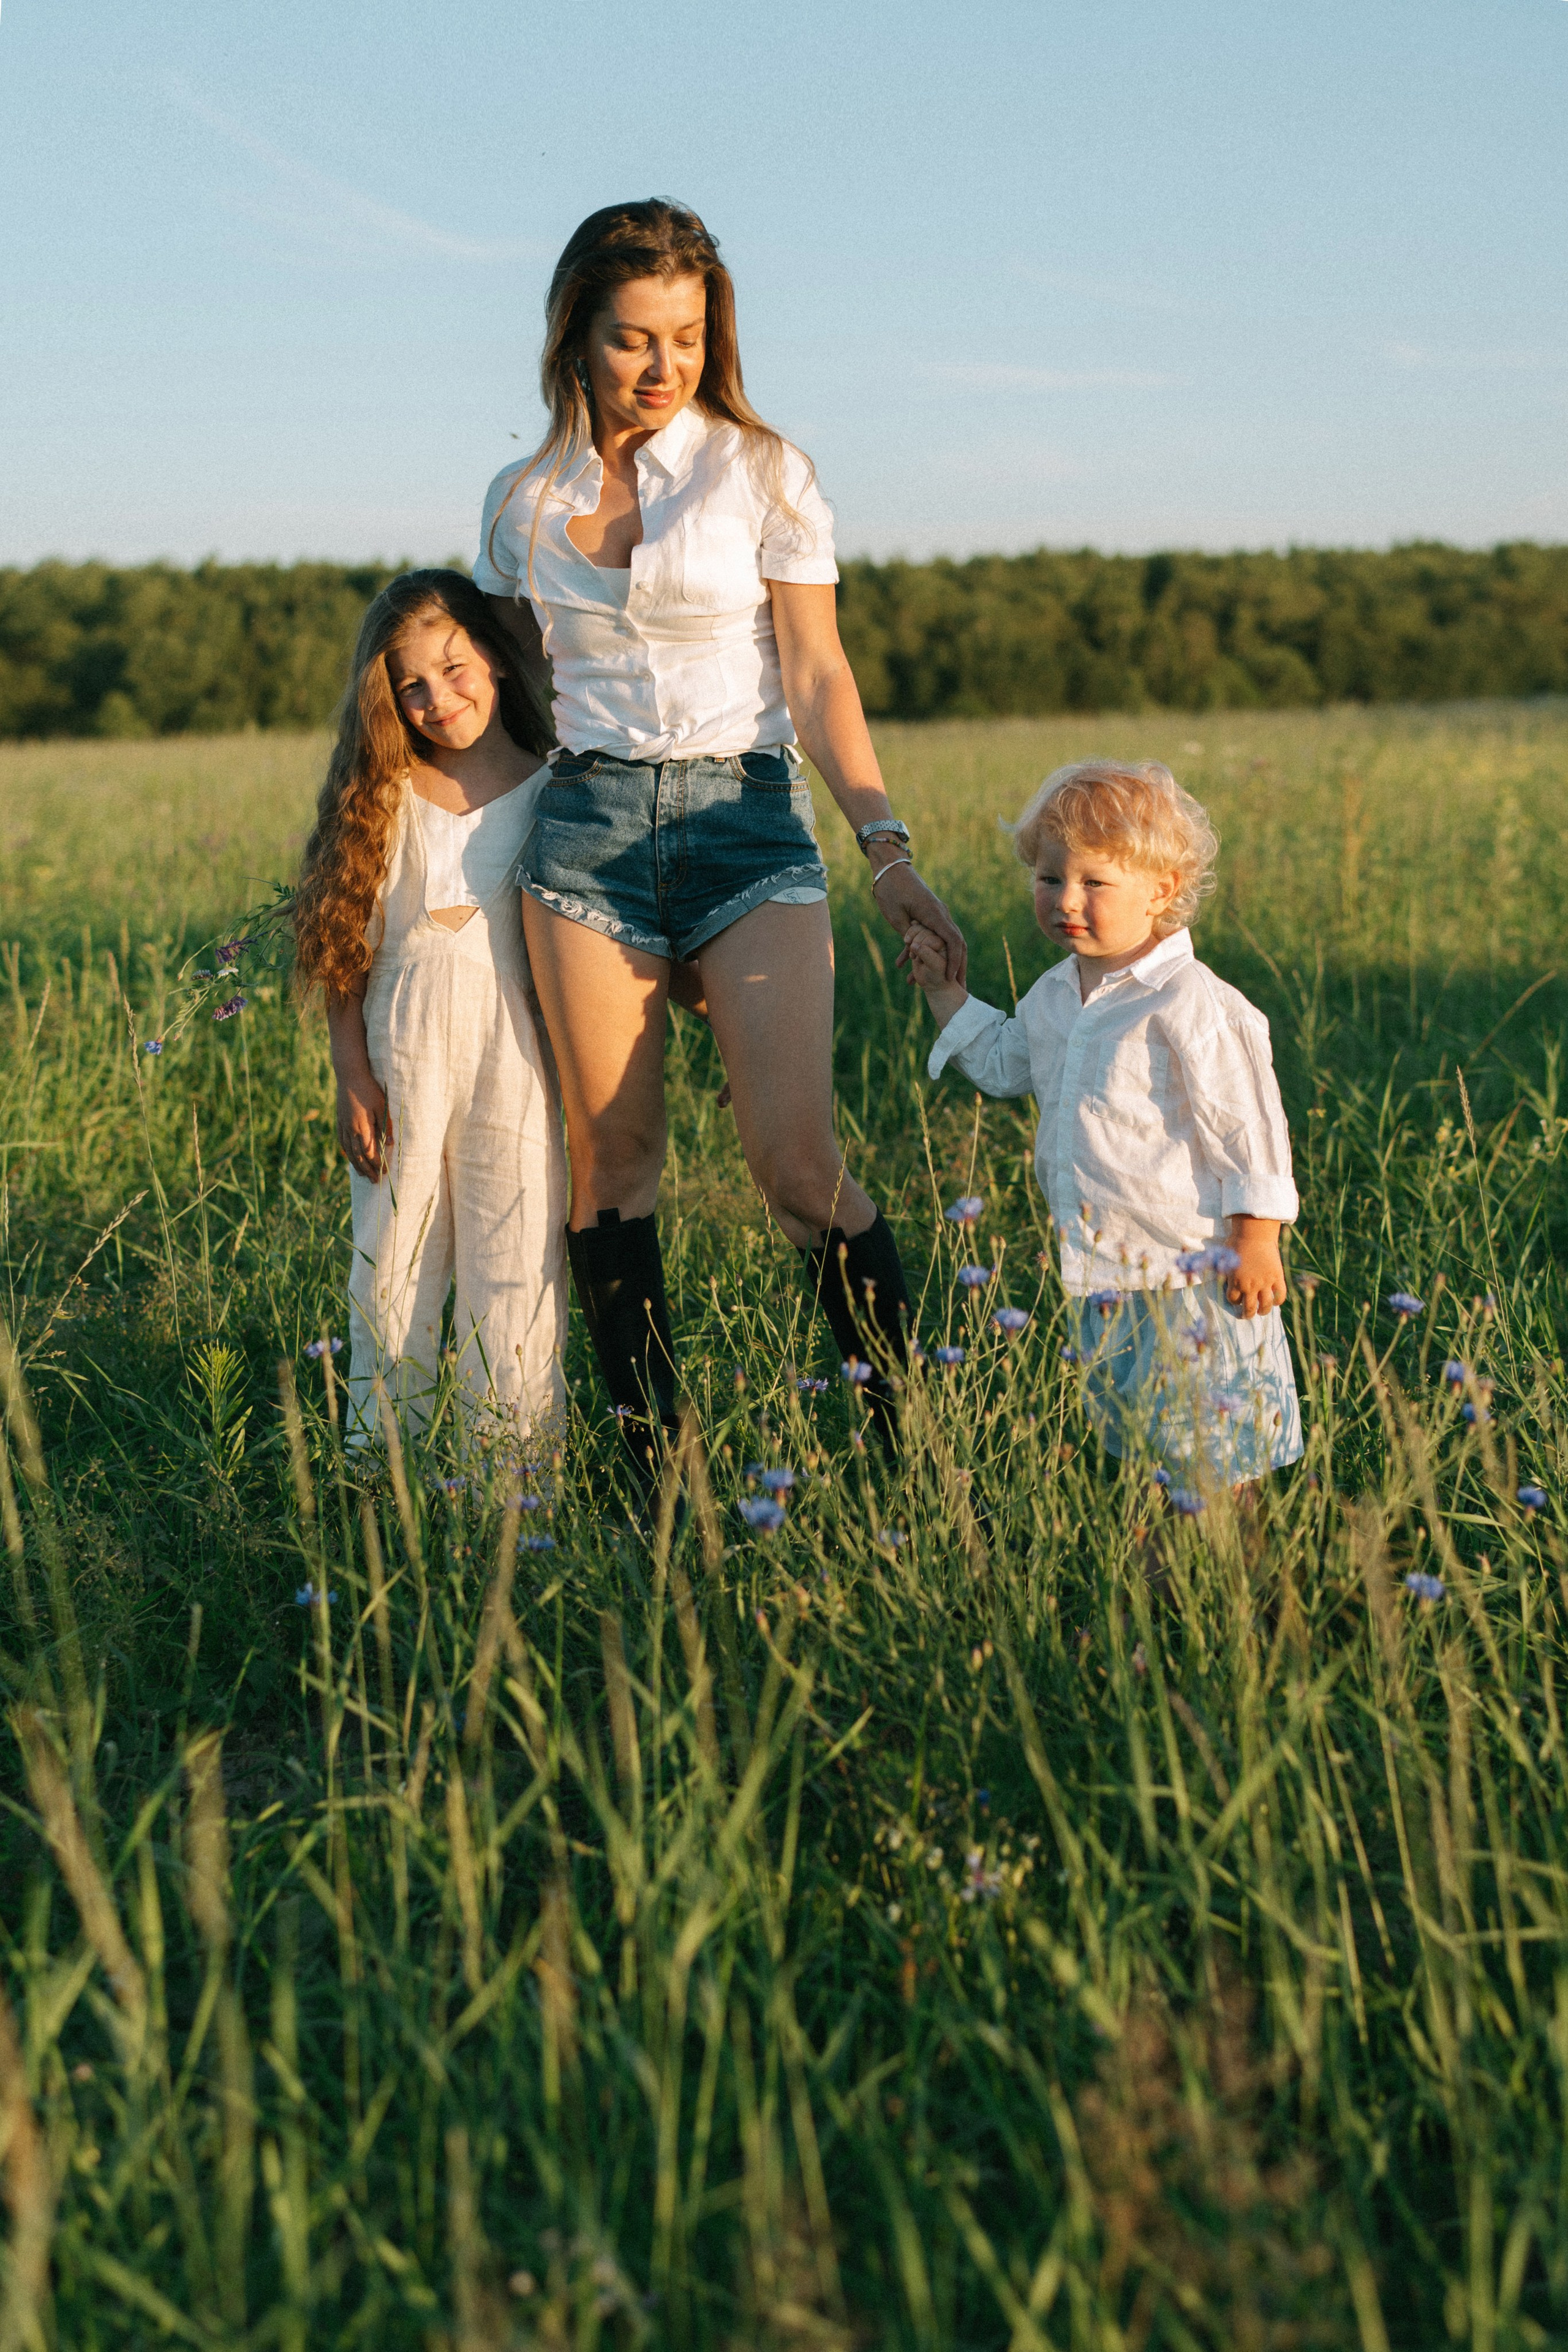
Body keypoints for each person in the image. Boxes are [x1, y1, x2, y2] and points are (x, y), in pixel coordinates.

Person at [474, 199, 966, 1481]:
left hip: (747, 828)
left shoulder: (763, 471)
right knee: (613, 1165)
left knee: (797, 1167)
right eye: (632, 338)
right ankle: (658, 1477)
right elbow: (511, 708)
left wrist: (886, 848)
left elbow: (818, 676)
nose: (662, 366)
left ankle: (907, 1452)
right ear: (575, 339)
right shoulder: (522, 503)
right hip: (583, 841)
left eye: (686, 338)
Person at [905, 759, 1302, 1493]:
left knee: (1215, 1457)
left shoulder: (1191, 1002)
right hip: (1105, 1274)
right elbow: (1005, 1064)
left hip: (1194, 1272)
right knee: (1144, 1451)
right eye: (1049, 877)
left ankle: (1238, 1567)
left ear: (1162, 891)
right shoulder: (1054, 995)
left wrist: (1256, 1239)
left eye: (1094, 882)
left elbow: (1247, 1126)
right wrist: (944, 992)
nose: (1066, 899)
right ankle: (1158, 1568)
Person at [293, 570, 567, 1450]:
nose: (437, 699)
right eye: (410, 686)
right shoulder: (383, 792)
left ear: (496, 657)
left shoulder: (557, 788)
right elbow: (344, 943)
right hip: (399, 1050)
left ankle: (513, 1474)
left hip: (519, 1051)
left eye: (453, 669)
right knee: (393, 1262)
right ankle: (383, 1463)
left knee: (516, 1260)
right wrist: (351, 1073)